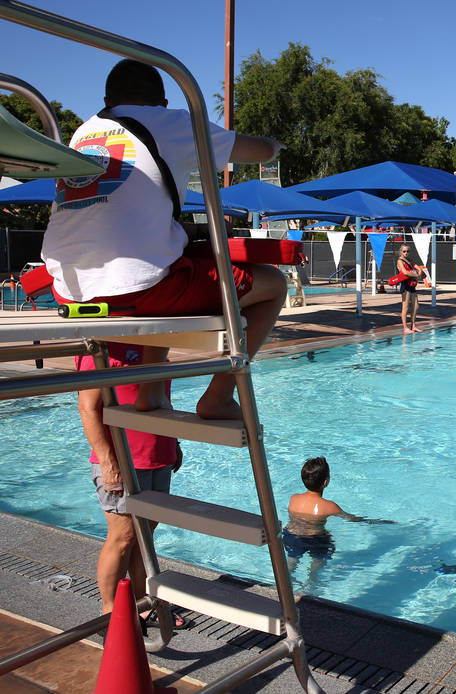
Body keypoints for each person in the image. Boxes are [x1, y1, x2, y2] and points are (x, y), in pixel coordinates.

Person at [42, 59, 286, 420]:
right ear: (163, 102)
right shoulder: (170, 123)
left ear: (107, 99)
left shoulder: (83, 134)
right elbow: (261, 151)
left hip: (66, 287)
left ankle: (151, 394)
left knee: (165, 263)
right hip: (134, 290)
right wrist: (276, 144)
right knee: (275, 284)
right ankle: (218, 395)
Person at [76, 342, 187, 628]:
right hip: (123, 460)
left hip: (157, 454)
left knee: (145, 535)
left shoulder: (154, 345)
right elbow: (88, 408)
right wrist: (106, 460)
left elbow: (162, 397)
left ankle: (142, 604)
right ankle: (110, 615)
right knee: (123, 537)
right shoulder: (103, 349)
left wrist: (174, 441)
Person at [283, 457, 392, 585]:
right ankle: (312, 582)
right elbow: (351, 518)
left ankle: (284, 582)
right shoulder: (330, 506)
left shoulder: (294, 498)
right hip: (316, 540)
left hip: (291, 536)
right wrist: (372, 521)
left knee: (292, 560)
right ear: (325, 482)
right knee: (317, 562)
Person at [395, 244, 424, 334]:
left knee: (416, 306)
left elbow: (418, 267)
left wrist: (419, 271)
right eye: (404, 251)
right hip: (405, 285)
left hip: (412, 284)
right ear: (400, 252)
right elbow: (405, 272)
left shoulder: (410, 260)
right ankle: (405, 327)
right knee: (406, 307)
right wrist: (417, 275)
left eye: (407, 251)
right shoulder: (400, 261)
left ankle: (413, 326)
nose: (406, 253)